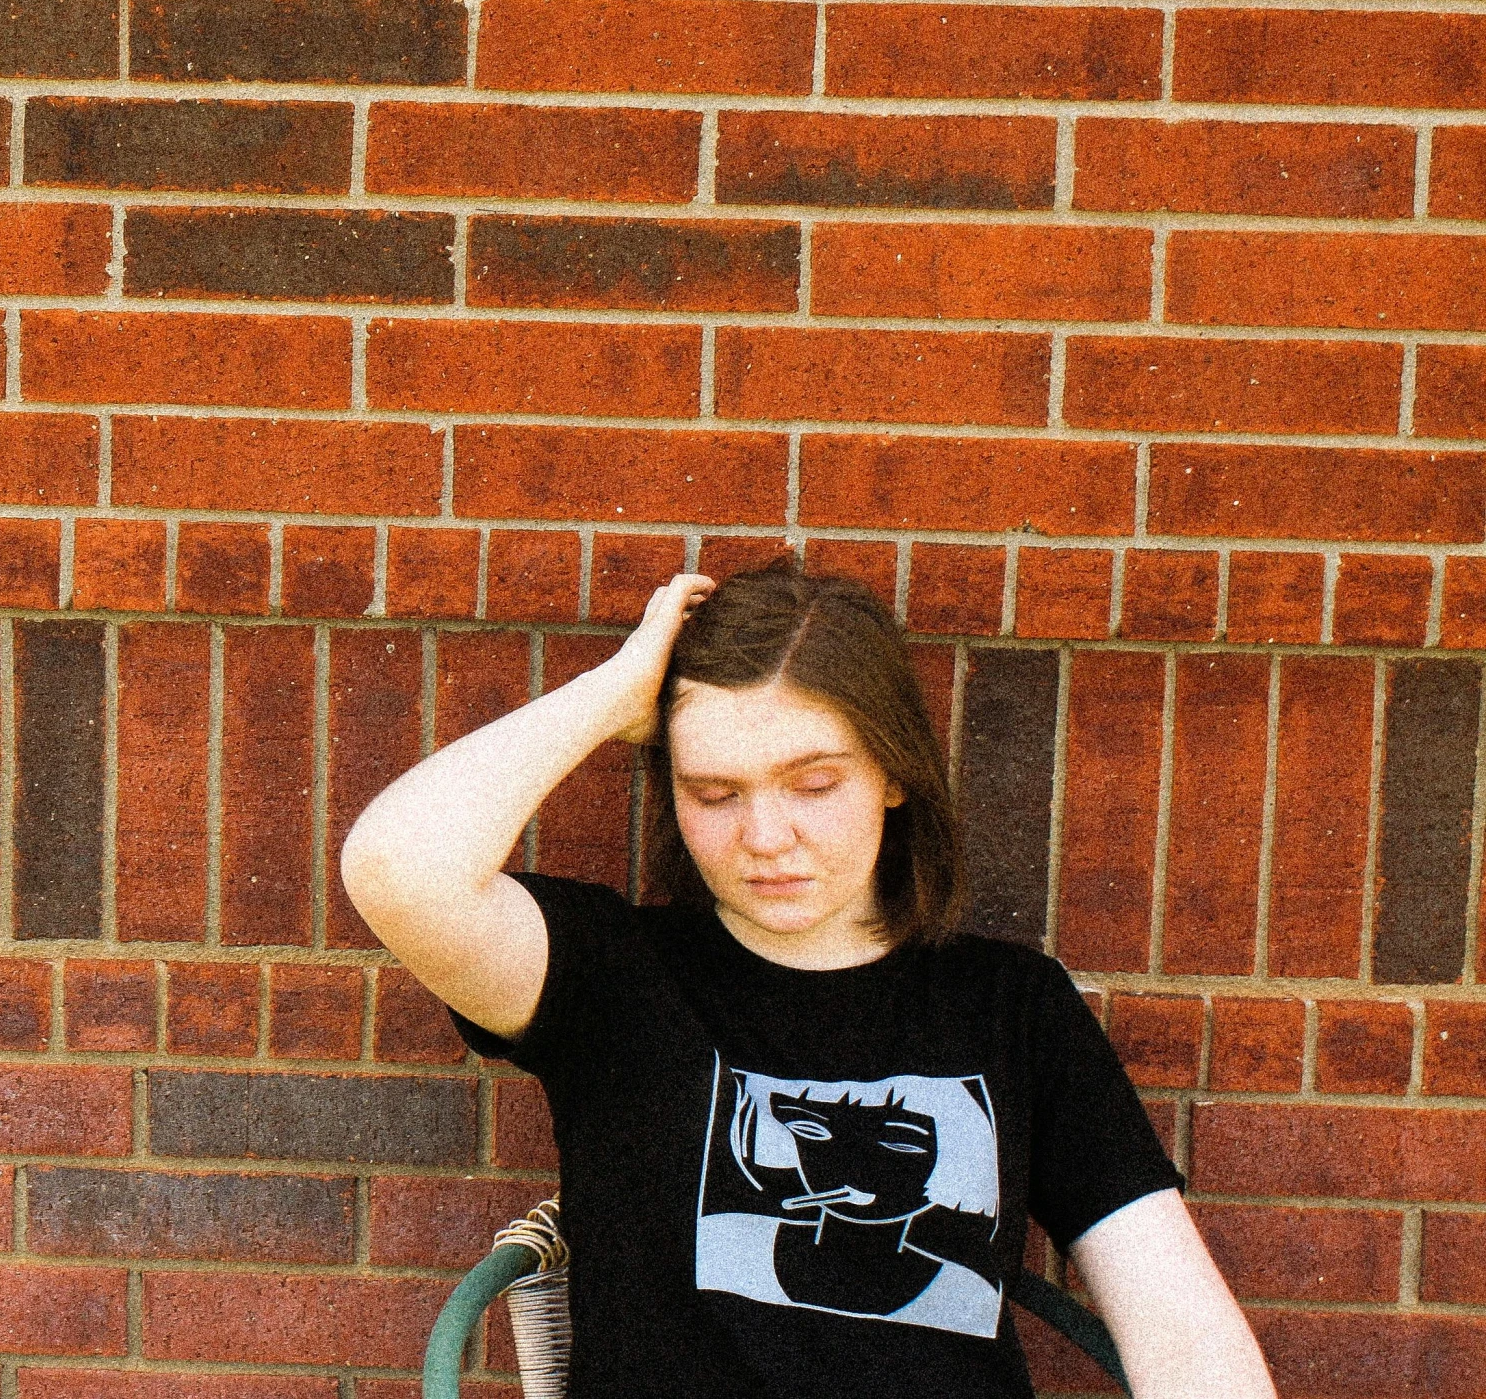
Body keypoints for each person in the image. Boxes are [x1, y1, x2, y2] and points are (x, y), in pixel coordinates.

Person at [339, 565, 1276, 1399]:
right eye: (714, 791)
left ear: (893, 775)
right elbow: (396, 867)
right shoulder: (612, 976)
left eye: (813, 782)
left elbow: (1177, 1323)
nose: (764, 835)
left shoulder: (1009, 1005)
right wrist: (616, 692)